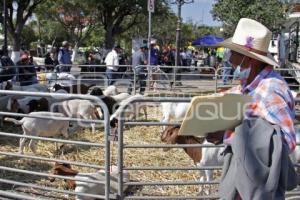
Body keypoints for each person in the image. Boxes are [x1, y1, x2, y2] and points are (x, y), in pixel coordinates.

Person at [205, 18, 297, 199]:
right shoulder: (250, 85)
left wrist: (227, 134)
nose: (229, 60)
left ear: (251, 60)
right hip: (244, 179)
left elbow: (286, 141)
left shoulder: (271, 90)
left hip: (259, 186)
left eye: (234, 55)